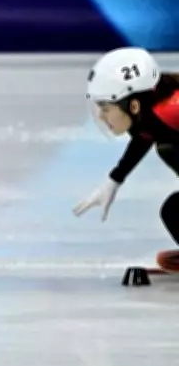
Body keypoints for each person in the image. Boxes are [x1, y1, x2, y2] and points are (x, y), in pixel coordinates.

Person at [73, 47, 179, 271]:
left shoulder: (172, 110)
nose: (101, 117)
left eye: (105, 108)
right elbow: (145, 135)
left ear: (133, 105)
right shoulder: (153, 113)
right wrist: (114, 180)